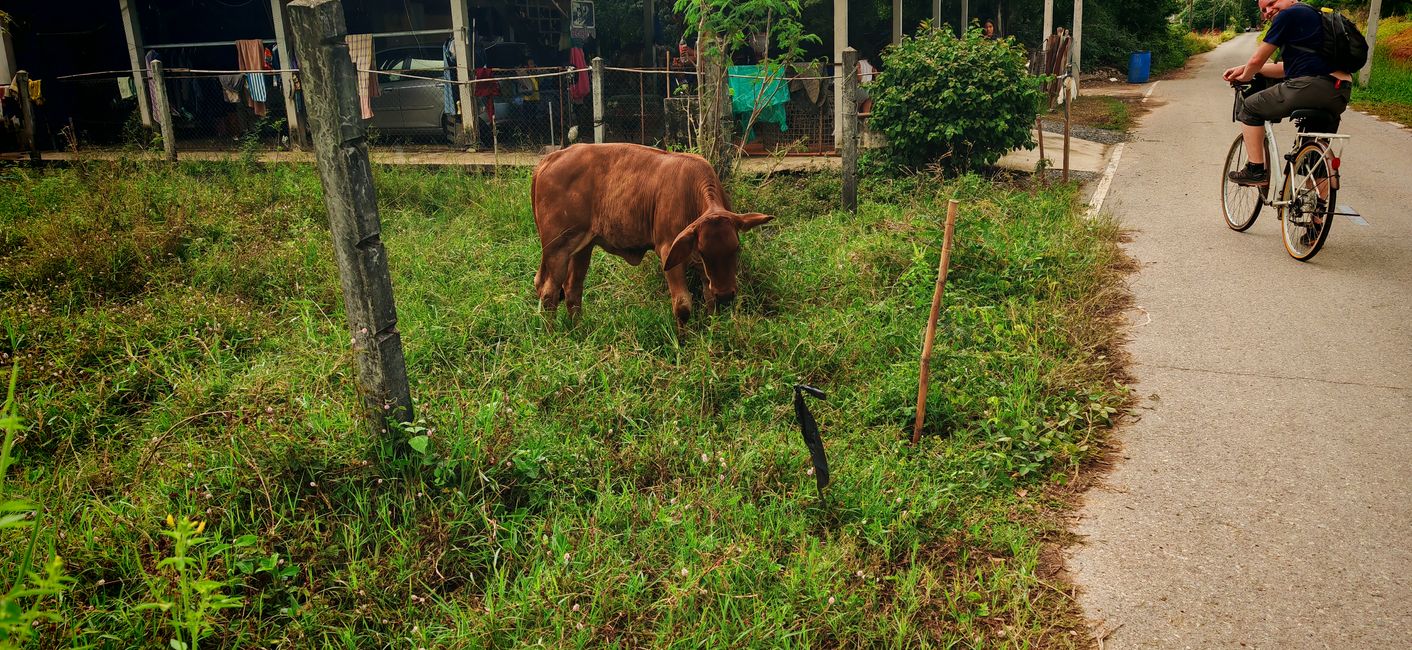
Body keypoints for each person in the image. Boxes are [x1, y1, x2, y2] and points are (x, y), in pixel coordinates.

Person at [1223, 0, 1352, 185]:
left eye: (1271, 3)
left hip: (1309, 87)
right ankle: (1318, 211)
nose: (1268, 11)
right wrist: (1245, 69)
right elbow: (1287, 70)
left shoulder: (1288, 14)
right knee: (1315, 162)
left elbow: (1257, 59)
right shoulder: (1316, 17)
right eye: (1263, 10)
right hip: (1339, 92)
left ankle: (1255, 170)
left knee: (1251, 107)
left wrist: (1245, 76)